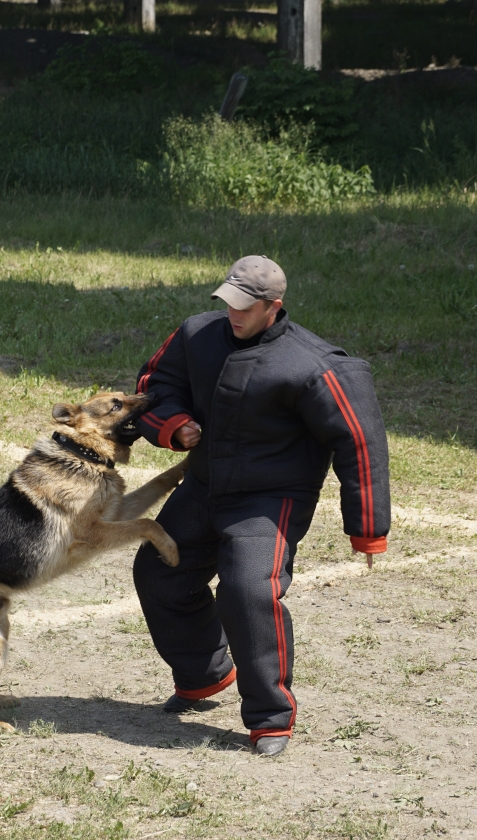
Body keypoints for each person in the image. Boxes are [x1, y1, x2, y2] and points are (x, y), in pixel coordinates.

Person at [131, 255, 390, 758]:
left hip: (272, 497)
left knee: (249, 591)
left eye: (246, 307)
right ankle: (204, 675)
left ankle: (270, 717)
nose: (233, 313)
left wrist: (368, 528)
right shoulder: (196, 334)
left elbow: (360, 442)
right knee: (158, 571)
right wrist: (174, 424)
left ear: (274, 306)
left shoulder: (316, 365)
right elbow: (154, 386)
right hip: (205, 483)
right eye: (228, 302)